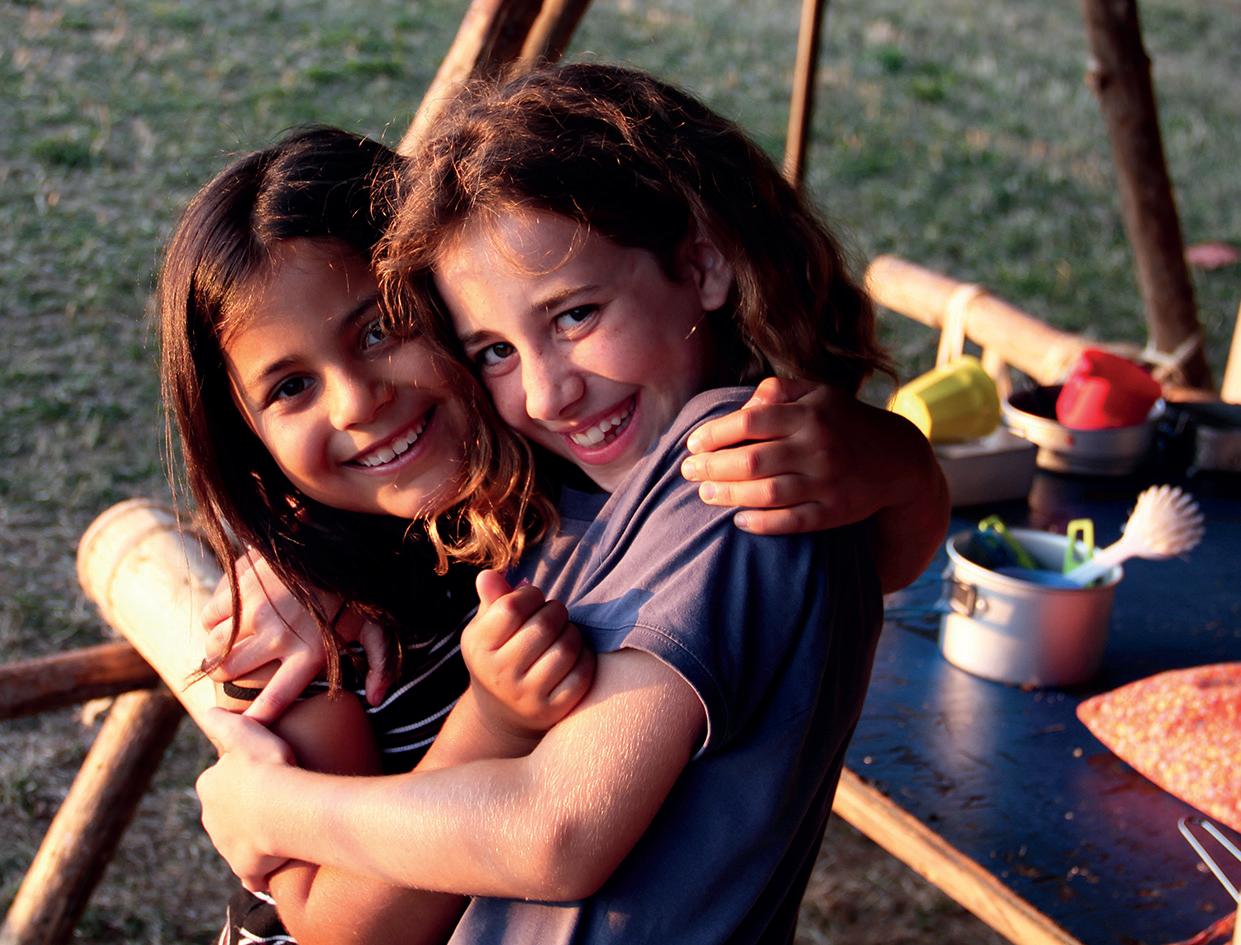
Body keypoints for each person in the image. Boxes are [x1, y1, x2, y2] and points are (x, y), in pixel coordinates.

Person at [194, 63, 948, 945]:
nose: (358, 401)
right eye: (495, 349)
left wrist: (895, 458)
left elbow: (847, 567)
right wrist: (297, 568)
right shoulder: (329, 596)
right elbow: (335, 925)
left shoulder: (675, 476)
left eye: (380, 329)